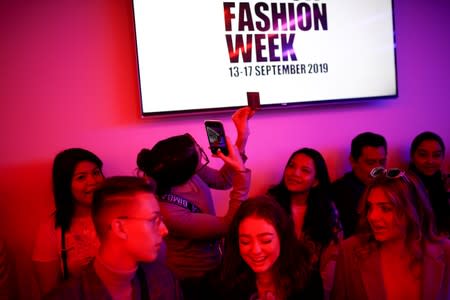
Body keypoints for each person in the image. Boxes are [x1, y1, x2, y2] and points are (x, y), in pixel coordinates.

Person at [136, 107, 254, 299]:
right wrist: (242, 175)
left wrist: (242, 136)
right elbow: (228, 225)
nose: (203, 150)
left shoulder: (188, 173)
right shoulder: (170, 213)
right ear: (185, 169)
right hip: (192, 280)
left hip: (215, 266)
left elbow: (223, 180)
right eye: (199, 153)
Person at [46, 176, 183, 299]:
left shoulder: (165, 281)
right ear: (120, 228)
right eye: (154, 220)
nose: (164, 230)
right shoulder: (67, 295)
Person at [331, 167, 450, 300]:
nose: (373, 216)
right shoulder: (350, 251)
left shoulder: (445, 251)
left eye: (386, 208)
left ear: (412, 210)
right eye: (370, 207)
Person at [268, 147, 342, 299]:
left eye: (305, 170)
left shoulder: (327, 211)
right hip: (273, 284)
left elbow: (332, 259)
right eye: (292, 166)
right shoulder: (270, 204)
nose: (295, 173)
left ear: (315, 182)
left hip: (311, 288)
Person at [32, 148, 105, 296]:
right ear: (65, 185)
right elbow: (50, 292)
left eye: (96, 173)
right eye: (81, 177)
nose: (92, 181)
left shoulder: (120, 213)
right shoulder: (51, 228)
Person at [218, 196, 313, 300]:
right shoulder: (223, 282)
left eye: (266, 240)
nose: (256, 250)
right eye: (245, 242)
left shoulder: (308, 282)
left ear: (282, 238)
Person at [332, 132, 387, 238]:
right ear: (353, 161)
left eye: (382, 162)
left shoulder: (392, 187)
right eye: (371, 163)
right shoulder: (339, 193)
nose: (378, 169)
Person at [409, 131, 450, 237]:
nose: (430, 161)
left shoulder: (445, 181)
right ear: (412, 156)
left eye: (436, 155)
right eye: (423, 155)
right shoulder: (404, 185)